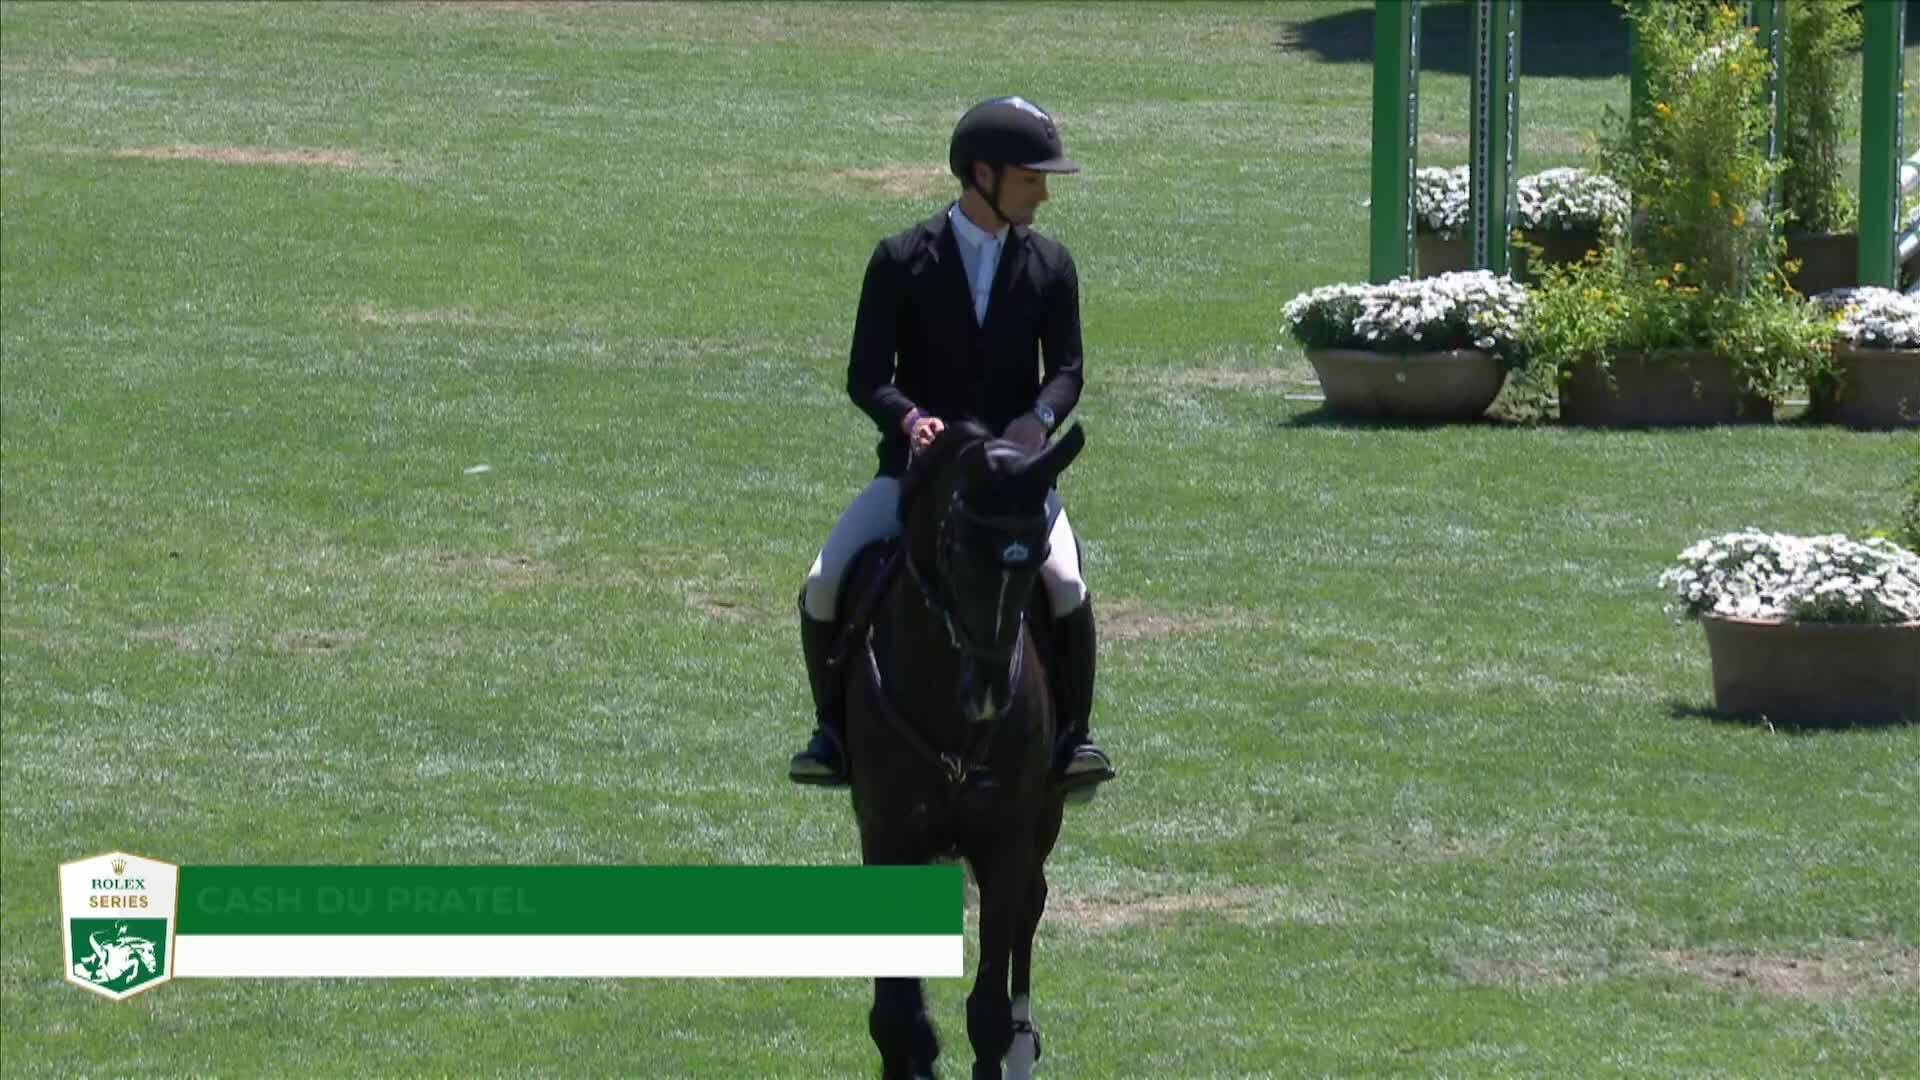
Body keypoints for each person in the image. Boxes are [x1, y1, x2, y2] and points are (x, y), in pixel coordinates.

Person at [789, 95, 1115, 793]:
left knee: (1066, 583)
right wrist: (908, 421)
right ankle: (832, 734)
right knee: (822, 583)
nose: (1044, 193)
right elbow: (866, 377)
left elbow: (1067, 370)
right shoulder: (901, 259)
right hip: (916, 479)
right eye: (1032, 178)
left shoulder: (1051, 265)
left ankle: (1075, 739)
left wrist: (1038, 418)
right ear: (983, 175)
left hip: (1016, 482)